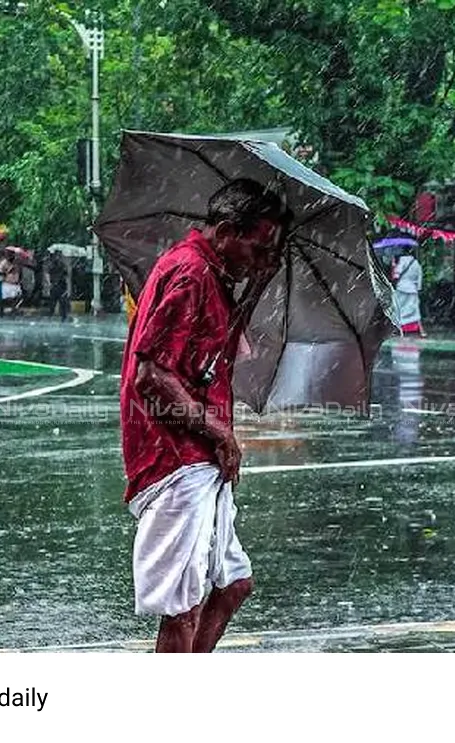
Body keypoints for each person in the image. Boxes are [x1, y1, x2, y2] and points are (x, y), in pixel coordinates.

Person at [120, 178, 289, 653]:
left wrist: (257, 282)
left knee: (233, 584)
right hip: (176, 456)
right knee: (184, 605)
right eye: (258, 246)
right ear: (228, 231)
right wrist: (220, 433)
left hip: (199, 457)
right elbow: (151, 375)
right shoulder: (191, 274)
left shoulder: (211, 276)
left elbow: (220, 353)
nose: (262, 256)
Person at [391, 245, 425, 335]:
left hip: (401, 288)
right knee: (413, 309)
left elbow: (396, 275)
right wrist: (418, 288)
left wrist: (393, 266)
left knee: (399, 309)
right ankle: (415, 328)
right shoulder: (416, 263)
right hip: (412, 290)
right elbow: (419, 277)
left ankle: (400, 327)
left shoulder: (402, 261)